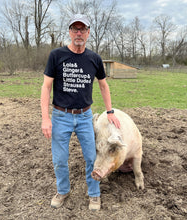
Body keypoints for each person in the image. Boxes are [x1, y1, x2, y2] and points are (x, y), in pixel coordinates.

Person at [41, 14, 120, 211]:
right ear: (69, 32)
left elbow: (103, 85)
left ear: (88, 32)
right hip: (61, 116)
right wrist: (45, 118)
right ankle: (63, 190)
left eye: (82, 29)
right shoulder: (56, 56)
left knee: (92, 158)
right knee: (59, 159)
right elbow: (46, 87)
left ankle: (93, 194)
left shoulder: (94, 59)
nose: (78, 33)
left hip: (85, 117)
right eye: (75, 29)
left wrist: (109, 111)